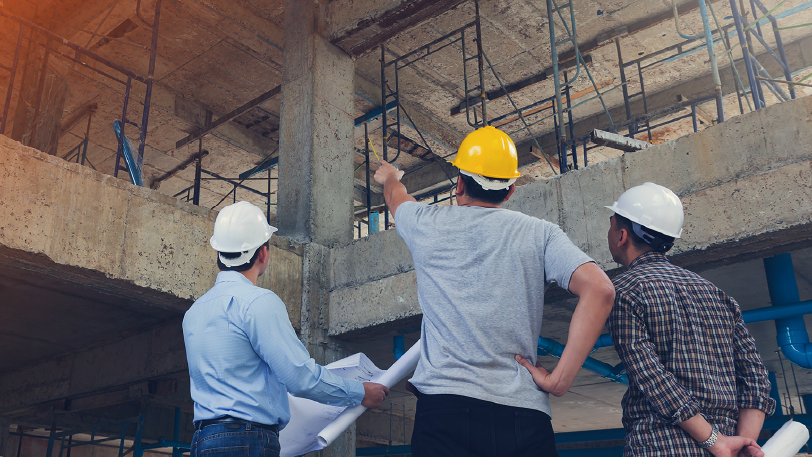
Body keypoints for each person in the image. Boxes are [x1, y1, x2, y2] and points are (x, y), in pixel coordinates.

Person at [374, 126, 616, 457]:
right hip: (523, 416)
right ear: (510, 189)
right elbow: (600, 290)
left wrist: (390, 176)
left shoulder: (425, 223)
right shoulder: (540, 234)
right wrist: (560, 380)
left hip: (446, 413)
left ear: (459, 183)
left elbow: (396, 197)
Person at [183, 201, 389, 456]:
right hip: (247, 440)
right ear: (263, 254)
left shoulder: (193, 313)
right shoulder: (259, 302)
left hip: (203, 442)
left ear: (219, 253)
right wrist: (359, 393)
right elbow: (299, 378)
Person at [605, 183, 775, 457]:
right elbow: (755, 377)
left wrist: (716, 442)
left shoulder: (623, 291)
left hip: (660, 445)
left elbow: (652, 377)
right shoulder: (717, 295)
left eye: (611, 226)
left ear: (621, 235)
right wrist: (741, 444)